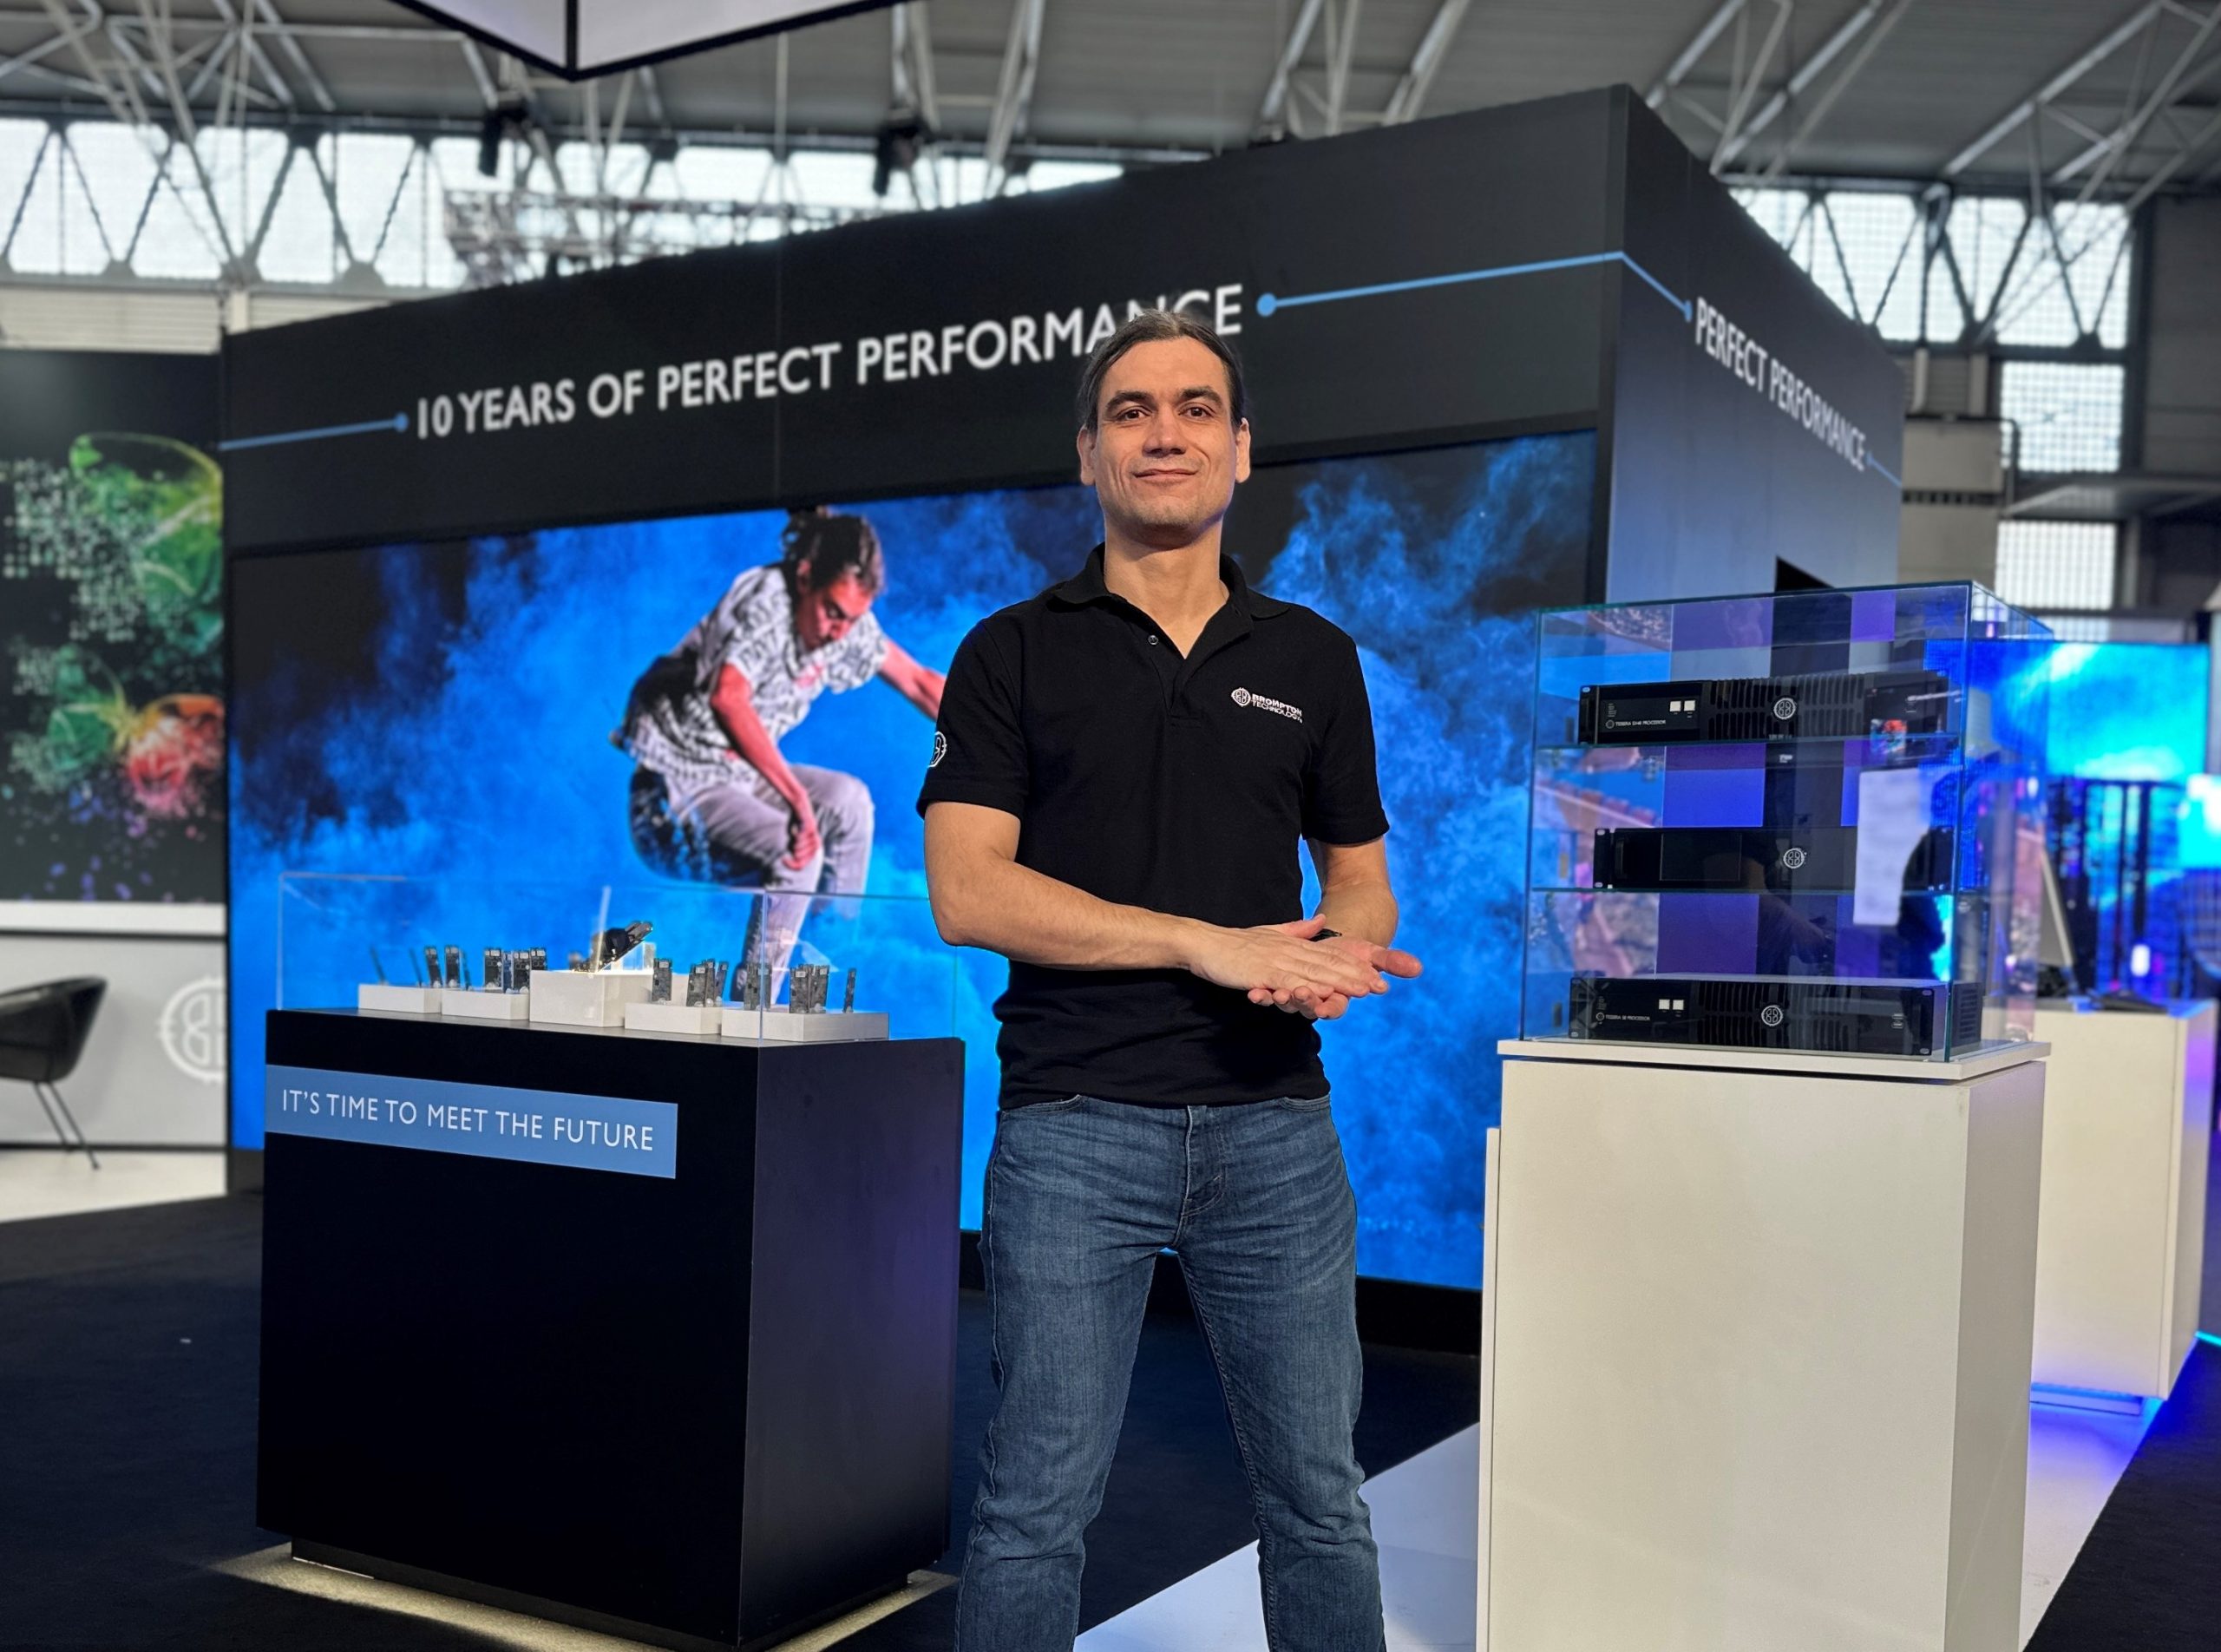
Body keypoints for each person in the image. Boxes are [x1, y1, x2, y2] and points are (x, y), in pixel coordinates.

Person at [919, 308, 1423, 1652]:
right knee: (1033, 1513)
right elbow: (968, 893)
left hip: (1277, 1134)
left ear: (1241, 448)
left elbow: (1361, 880)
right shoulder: (1011, 652)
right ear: (1089, 452)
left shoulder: (1312, 658)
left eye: (1197, 407)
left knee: (1321, 1504)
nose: (1165, 433)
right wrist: (1208, 941)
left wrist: (1337, 949)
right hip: (1073, 1126)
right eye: (1131, 411)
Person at [619, 508, 943, 966]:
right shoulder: (767, 600)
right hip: (669, 801)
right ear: (805, 578)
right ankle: (757, 1003)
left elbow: (918, 682)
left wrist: (1009, 735)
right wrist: (796, 801)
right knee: (797, 854)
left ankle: (823, 978)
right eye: (832, 613)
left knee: (849, 803)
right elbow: (728, 698)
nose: (838, 633)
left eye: (852, 620)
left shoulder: (844, 626)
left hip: (737, 779)